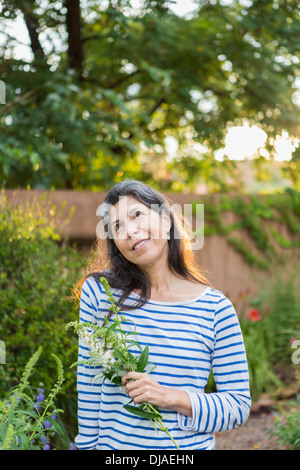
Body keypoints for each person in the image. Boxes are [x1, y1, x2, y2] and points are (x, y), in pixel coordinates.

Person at [73, 179, 251, 450]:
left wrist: (171, 397)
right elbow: (88, 384)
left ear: (166, 220)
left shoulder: (215, 309)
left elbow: (238, 406)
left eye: (137, 215)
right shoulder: (100, 293)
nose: (130, 231)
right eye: (117, 227)